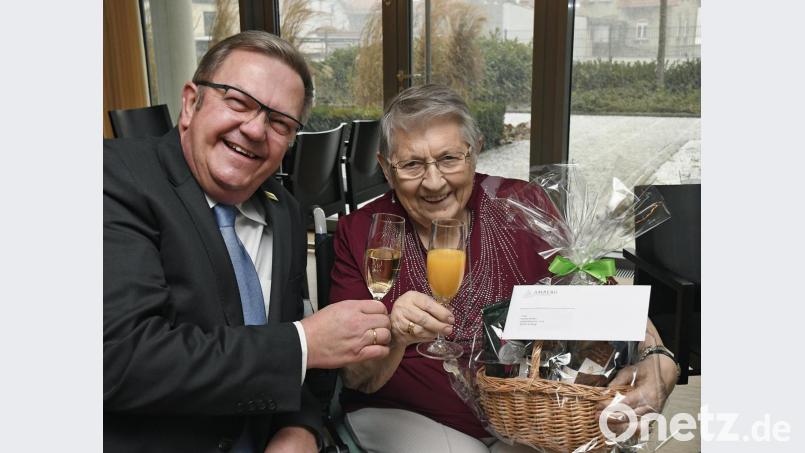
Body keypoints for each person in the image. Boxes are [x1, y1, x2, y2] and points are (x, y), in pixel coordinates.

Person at [329, 84, 679, 452]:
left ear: (476, 151)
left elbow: (594, 287)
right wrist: (396, 336)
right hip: (404, 414)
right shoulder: (362, 232)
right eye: (412, 164)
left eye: (449, 158)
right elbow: (356, 378)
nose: (433, 182)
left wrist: (659, 363)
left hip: (523, 412)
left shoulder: (522, 206)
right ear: (386, 167)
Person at [103, 31, 392, 453]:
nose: (255, 129)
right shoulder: (115, 178)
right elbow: (121, 360)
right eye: (237, 101)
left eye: (279, 122)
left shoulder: (284, 212)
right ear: (190, 103)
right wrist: (304, 342)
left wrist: (301, 430)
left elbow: (301, 364)